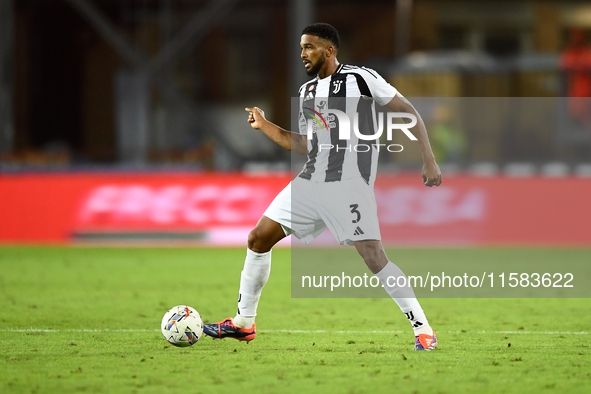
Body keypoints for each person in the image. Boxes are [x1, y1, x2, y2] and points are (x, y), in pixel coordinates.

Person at [203, 23, 442, 350]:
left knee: (373, 257)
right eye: (301, 47)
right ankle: (244, 322)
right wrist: (265, 125)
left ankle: (423, 329)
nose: (303, 54)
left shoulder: (362, 78)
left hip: (349, 184)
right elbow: (305, 144)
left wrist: (428, 158)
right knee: (258, 238)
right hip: (311, 180)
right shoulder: (306, 94)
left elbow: (407, 111)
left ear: (330, 50)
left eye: (310, 47)